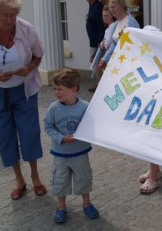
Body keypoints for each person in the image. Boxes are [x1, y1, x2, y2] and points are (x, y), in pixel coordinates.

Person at [0, 0, 47, 200]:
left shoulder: (26, 29)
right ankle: (19, 179)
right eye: (5, 14)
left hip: (24, 90)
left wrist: (30, 68)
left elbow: (38, 54)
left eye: (13, 14)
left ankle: (35, 176)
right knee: (5, 137)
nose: (10, 19)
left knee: (29, 133)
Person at [44, 68, 99, 223]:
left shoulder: (85, 107)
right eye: (54, 88)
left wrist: (86, 126)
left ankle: (87, 203)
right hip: (60, 154)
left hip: (80, 153)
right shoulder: (53, 108)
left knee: (84, 178)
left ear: (73, 89)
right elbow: (48, 127)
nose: (56, 92)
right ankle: (61, 207)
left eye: (60, 89)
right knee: (60, 181)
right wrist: (61, 137)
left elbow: (94, 124)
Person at [138, 25, 162, 194]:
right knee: (149, 139)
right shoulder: (145, 55)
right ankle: (155, 170)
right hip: (149, 104)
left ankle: (154, 177)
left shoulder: (160, 57)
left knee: (153, 139)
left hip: (159, 106)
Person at [98, 0, 140, 69]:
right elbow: (114, 45)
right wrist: (104, 59)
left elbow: (137, 43)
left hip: (130, 62)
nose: (111, 9)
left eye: (114, 7)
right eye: (110, 7)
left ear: (121, 6)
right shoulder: (115, 24)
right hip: (119, 62)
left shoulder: (131, 21)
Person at [82, 0, 106, 92]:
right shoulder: (92, 6)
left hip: (97, 42)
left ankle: (101, 86)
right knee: (97, 64)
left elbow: (100, 27)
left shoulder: (97, 7)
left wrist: (98, 44)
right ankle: (100, 84)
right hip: (93, 41)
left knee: (98, 63)